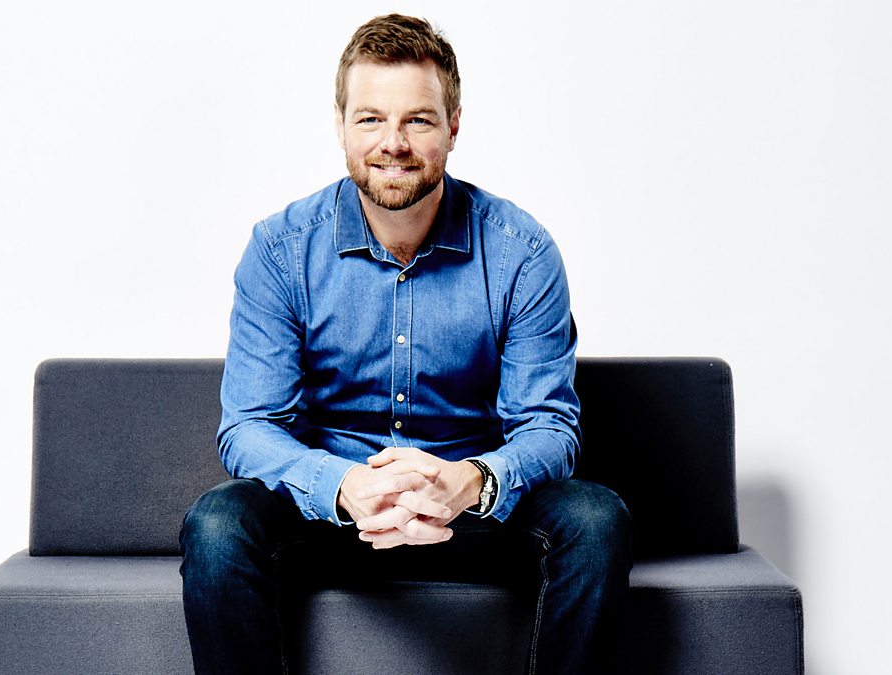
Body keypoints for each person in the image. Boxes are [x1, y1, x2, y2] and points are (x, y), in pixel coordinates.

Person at [180, 13, 631, 673]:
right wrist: (344, 484)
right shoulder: (281, 250)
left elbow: (550, 427)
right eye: (370, 119)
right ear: (340, 124)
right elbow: (249, 427)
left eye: (418, 120)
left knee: (597, 518)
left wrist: (471, 480)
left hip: (471, 512)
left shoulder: (522, 252)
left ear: (454, 125)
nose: (393, 143)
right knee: (218, 525)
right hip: (328, 514)